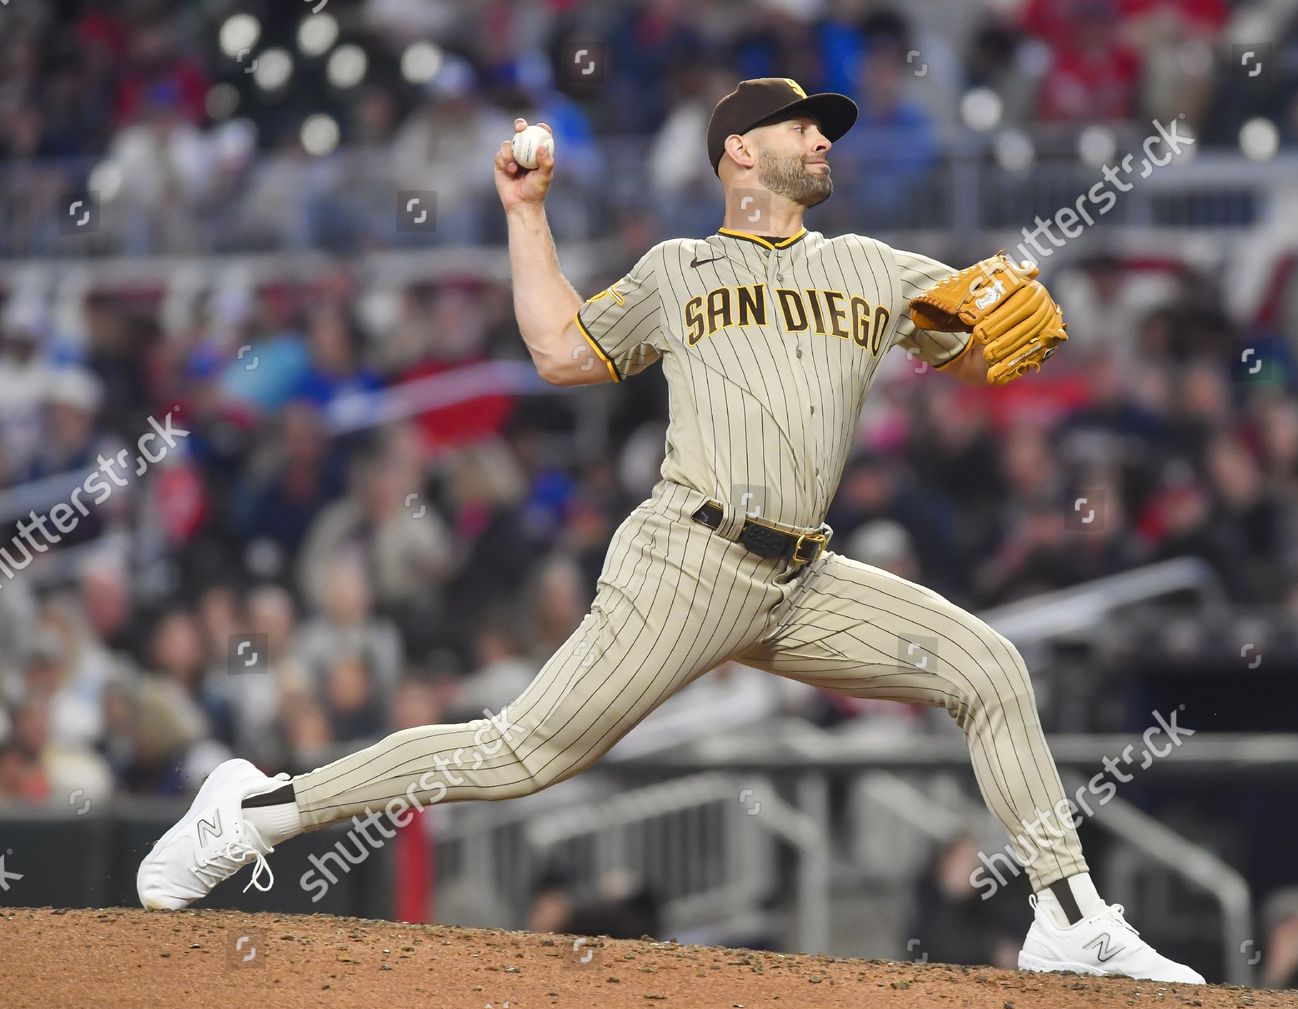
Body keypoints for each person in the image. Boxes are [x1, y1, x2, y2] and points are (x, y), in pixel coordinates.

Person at [136, 77, 1200, 985]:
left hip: (803, 579)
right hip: (687, 559)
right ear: (741, 149)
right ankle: (259, 807)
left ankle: (1068, 919)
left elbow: (976, 344)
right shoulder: (678, 269)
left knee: (989, 665)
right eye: (801, 127)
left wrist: (1008, 331)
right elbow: (557, 350)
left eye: (825, 129)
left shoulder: (873, 267)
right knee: (516, 754)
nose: (823, 139)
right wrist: (526, 212)